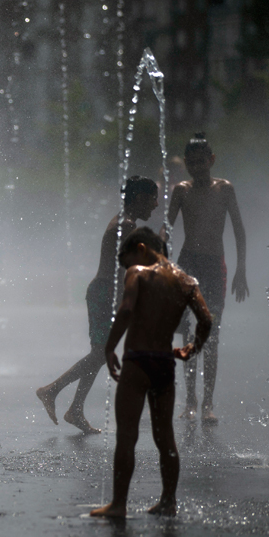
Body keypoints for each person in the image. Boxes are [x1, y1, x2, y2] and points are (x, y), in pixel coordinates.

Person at [90, 227, 212, 518]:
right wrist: (192, 349)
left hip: (137, 362)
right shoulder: (186, 281)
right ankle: (168, 501)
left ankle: (118, 505)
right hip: (164, 364)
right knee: (165, 438)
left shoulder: (138, 274)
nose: (127, 267)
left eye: (127, 259)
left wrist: (109, 347)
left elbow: (127, 309)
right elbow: (206, 319)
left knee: (127, 436)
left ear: (141, 248)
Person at [36, 176, 159, 433]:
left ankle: (75, 409)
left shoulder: (126, 223)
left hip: (106, 291)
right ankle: (52, 390)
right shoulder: (124, 226)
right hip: (106, 292)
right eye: (152, 198)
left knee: (101, 354)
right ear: (138, 198)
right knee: (101, 354)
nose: (156, 205)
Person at [166, 133, 249, 424]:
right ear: (186, 163)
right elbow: (167, 228)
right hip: (188, 266)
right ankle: (190, 401)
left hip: (215, 266)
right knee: (190, 335)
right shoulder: (181, 190)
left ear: (211, 160)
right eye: (192, 163)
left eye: (202, 162)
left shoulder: (224, 189)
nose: (197, 168)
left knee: (211, 337)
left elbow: (238, 230)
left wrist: (241, 269)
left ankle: (208, 404)